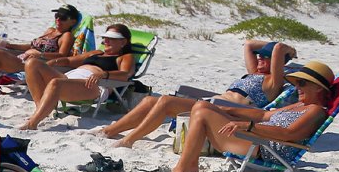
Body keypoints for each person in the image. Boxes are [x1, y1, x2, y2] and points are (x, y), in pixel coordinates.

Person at [101, 39, 298, 148]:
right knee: (152, 100)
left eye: (266, 57)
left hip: (225, 111)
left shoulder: (273, 82)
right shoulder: (253, 73)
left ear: (277, 62)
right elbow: (248, 44)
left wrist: (290, 51)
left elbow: (280, 48)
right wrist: (263, 50)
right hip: (212, 102)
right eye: (259, 56)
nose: (260, 59)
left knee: (166, 102)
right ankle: (109, 131)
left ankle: (129, 140)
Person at [171, 61, 335, 172]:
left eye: (302, 83)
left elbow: (288, 133)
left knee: (202, 113)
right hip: (256, 139)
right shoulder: (300, 105)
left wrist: (248, 126)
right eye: (296, 83)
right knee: (202, 106)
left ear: (319, 87)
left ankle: (181, 169)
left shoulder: (315, 111)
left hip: (264, 149)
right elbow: (264, 116)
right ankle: (190, 164)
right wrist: (227, 110)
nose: (297, 87)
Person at [20, 24, 137, 130]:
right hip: (68, 78)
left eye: (111, 38)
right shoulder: (96, 53)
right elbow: (69, 61)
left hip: (93, 85)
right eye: (105, 37)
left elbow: (126, 74)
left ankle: (33, 123)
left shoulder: (125, 57)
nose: (106, 40)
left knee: (56, 83)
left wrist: (103, 74)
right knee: (32, 63)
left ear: (123, 42)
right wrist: (53, 62)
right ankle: (40, 109)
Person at [0, 4, 82, 99]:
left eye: (63, 18)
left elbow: (62, 55)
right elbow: (31, 45)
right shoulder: (50, 30)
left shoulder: (66, 36)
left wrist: (40, 54)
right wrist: (10, 45)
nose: (58, 20)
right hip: (25, 56)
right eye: (57, 16)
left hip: (35, 64)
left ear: (73, 22)